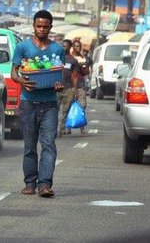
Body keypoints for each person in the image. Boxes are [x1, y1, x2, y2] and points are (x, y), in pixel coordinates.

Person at [11, 10, 65, 198]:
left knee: (49, 144)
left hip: (49, 103)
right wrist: (21, 81)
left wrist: (59, 87)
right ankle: (29, 183)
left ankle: (45, 184)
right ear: (33, 26)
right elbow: (14, 73)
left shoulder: (57, 50)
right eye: (38, 26)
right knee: (30, 145)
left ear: (50, 27)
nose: (41, 29)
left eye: (45, 26)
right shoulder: (23, 47)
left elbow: (59, 76)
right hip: (28, 103)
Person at [58, 39, 78, 137]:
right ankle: (52, 129)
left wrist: (75, 89)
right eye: (63, 45)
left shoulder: (73, 60)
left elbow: (74, 76)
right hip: (56, 88)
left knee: (65, 110)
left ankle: (61, 130)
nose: (64, 47)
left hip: (68, 88)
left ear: (70, 47)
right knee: (54, 109)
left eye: (66, 46)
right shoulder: (56, 58)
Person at [70, 39, 89, 135]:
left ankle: (82, 127)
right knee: (68, 106)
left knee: (82, 105)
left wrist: (83, 66)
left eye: (79, 46)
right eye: (76, 46)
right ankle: (67, 127)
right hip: (69, 85)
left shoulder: (83, 58)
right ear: (73, 47)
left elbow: (86, 73)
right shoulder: (69, 58)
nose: (77, 48)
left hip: (81, 85)